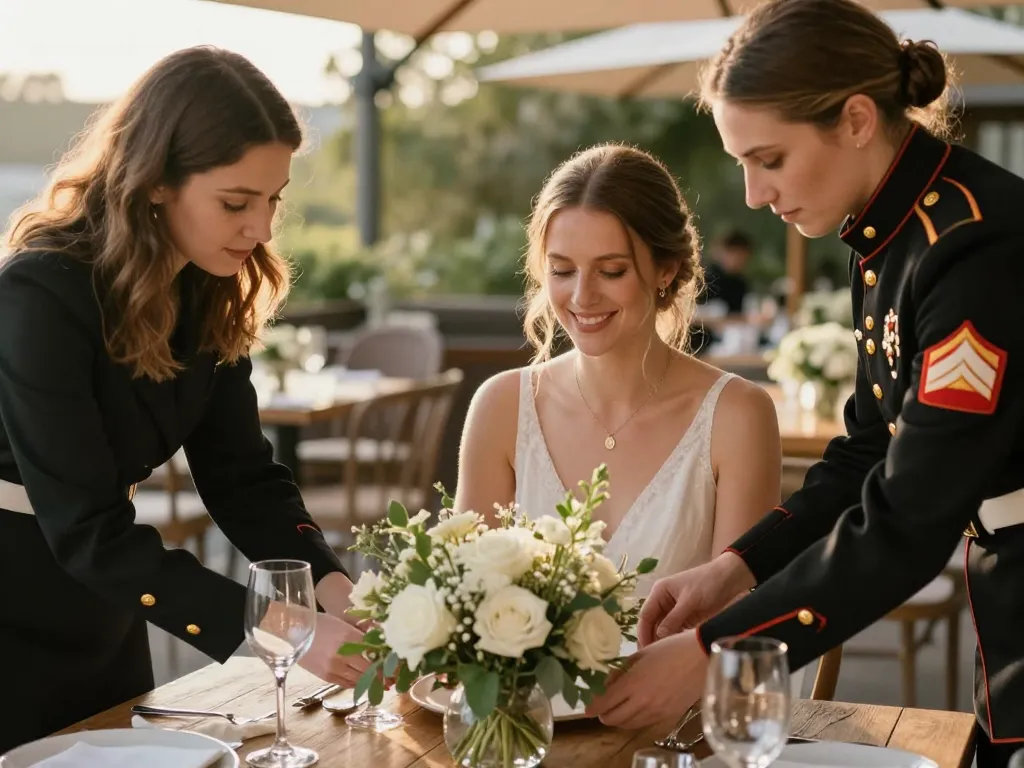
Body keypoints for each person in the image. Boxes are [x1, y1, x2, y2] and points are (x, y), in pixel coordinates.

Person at [585, 2, 1024, 765]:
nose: (754, 194)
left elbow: (910, 512)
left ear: (856, 119)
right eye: (741, 164)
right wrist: (736, 568)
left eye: (770, 159)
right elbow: (866, 452)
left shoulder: (974, 244)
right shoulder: (883, 237)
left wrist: (719, 651)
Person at [0, 46, 370, 751]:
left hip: (107, 604)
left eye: (272, 201)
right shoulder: (38, 291)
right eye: (236, 202)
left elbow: (241, 478)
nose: (261, 229)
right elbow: (85, 527)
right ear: (158, 181)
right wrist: (282, 629)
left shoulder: (209, 289)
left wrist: (333, 588)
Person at [454, 143, 782, 613]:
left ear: (665, 270)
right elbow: (466, 606)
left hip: (687, 686)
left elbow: (738, 626)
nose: (583, 296)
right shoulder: (501, 407)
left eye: (611, 271)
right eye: (562, 270)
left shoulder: (737, 416)